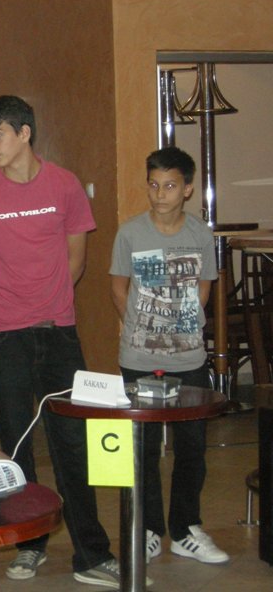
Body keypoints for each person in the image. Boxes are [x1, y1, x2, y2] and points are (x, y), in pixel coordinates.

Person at [0, 95, 119, 588]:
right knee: (16, 444)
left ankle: (92, 554)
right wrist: (8, 300)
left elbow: (77, 260)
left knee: (74, 442)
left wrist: (47, 301)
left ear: (24, 133)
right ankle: (29, 545)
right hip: (4, 334)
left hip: (58, 332)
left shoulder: (65, 185)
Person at [110, 146, 228, 565]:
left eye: (170, 186)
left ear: (188, 189)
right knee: (141, 449)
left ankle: (184, 529)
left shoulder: (200, 235)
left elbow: (205, 287)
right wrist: (140, 327)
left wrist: (184, 325)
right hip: (138, 358)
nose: (160, 194)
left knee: (192, 447)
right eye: (154, 185)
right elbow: (119, 287)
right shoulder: (130, 233)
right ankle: (148, 529)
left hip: (188, 358)